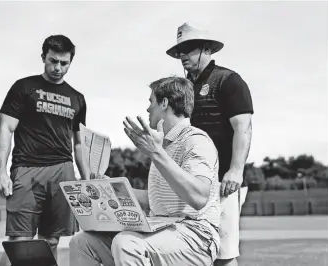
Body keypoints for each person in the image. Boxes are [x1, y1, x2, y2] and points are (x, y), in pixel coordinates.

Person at [69, 76, 221, 266]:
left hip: (197, 236)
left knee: (126, 243)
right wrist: (109, 187)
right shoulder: (162, 145)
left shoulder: (196, 140)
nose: (148, 108)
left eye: (151, 101)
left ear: (164, 103)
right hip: (163, 229)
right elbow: (155, 200)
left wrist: (156, 153)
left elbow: (199, 197)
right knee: (82, 242)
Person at [0, 34, 89, 266]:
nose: (58, 67)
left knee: (52, 241)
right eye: (53, 61)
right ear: (43, 57)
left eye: (64, 63)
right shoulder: (24, 87)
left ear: (70, 62)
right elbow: (5, 129)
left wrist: (86, 180)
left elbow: (79, 143)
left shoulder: (77, 98)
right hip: (27, 169)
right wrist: (0, 171)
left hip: (63, 171)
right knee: (20, 241)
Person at [166, 22, 254, 266]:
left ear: (206, 49)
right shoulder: (185, 88)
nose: (183, 55)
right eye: (180, 51)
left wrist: (236, 170)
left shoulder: (228, 80)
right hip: (192, 182)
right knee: (193, 252)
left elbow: (243, 128)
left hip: (222, 182)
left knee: (223, 255)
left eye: (189, 49)